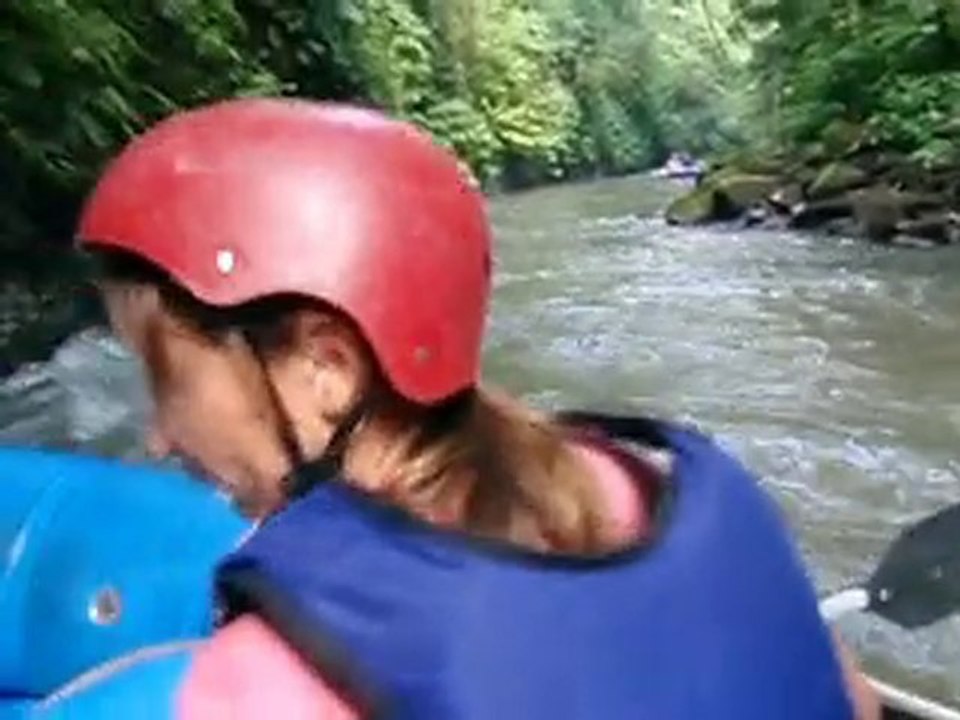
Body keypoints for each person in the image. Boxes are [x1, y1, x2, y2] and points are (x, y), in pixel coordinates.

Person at [58, 97, 878, 718]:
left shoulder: (271, 684)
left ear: (325, 366)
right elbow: (858, 703)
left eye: (167, 377)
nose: (160, 435)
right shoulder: (667, 487)